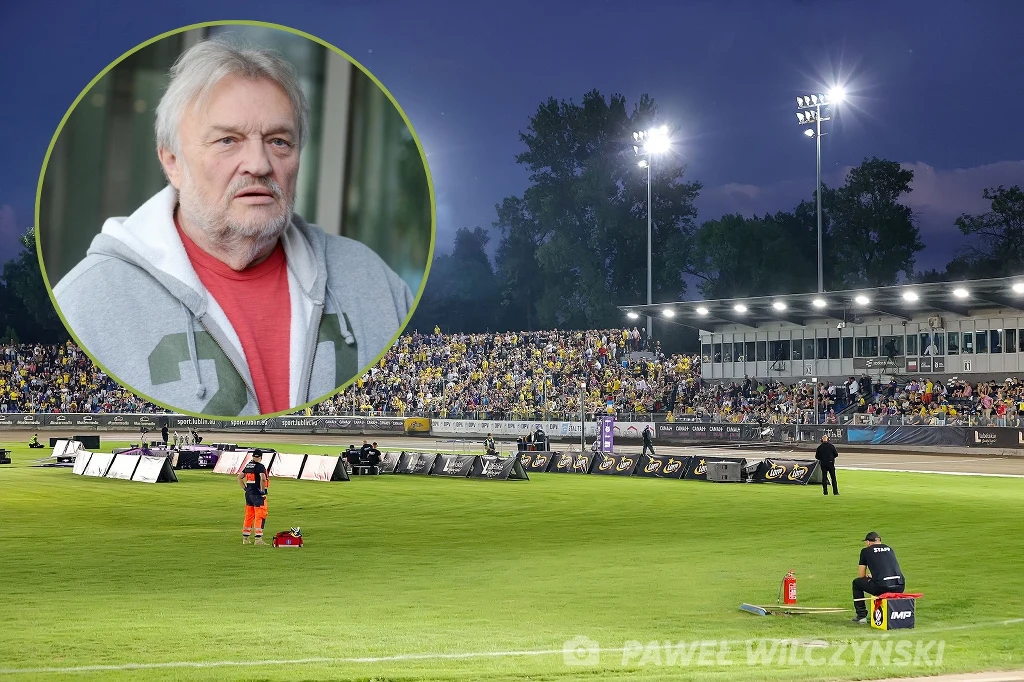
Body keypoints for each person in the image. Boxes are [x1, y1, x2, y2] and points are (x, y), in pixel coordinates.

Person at [51, 37, 413, 417]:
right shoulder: (84, 305)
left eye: (279, 141)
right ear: (172, 161)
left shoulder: (376, 285)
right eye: (228, 140)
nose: (258, 163)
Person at [852, 532, 906, 623]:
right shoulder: (889, 549)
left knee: (857, 583)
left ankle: (861, 616)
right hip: (900, 586)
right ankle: (892, 613)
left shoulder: (866, 551)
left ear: (868, 542)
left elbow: (861, 576)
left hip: (882, 586)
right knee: (877, 582)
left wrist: (871, 577)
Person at [238, 449, 269, 545]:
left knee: (249, 516)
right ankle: (258, 539)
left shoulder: (248, 465)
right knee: (260, 515)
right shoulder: (260, 466)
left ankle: (245, 539)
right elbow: (263, 479)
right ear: (260, 457)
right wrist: (262, 491)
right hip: (257, 495)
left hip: (249, 494)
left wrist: (245, 488)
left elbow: (239, 477)